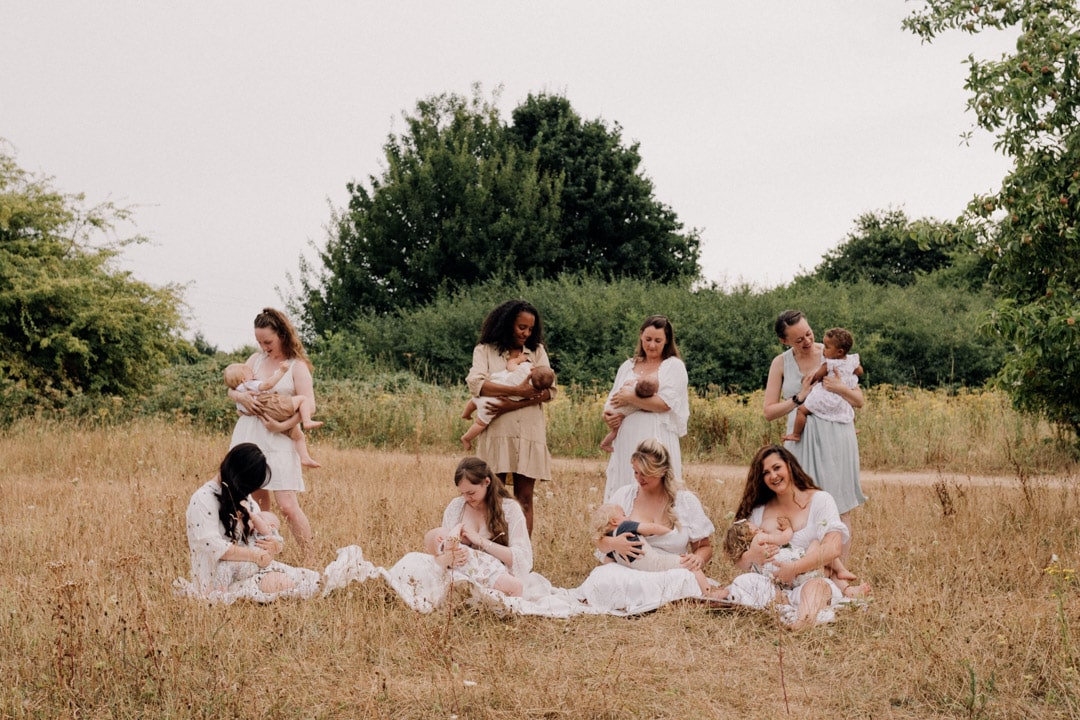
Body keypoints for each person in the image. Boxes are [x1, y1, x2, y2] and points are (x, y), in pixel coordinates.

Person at [764, 310, 865, 564]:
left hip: (836, 437)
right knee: (800, 504)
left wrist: (841, 388)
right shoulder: (780, 363)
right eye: (798, 340)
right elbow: (769, 412)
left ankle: (839, 574)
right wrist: (800, 397)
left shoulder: (833, 353)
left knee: (838, 505)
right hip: (800, 440)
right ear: (784, 341)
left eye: (808, 334)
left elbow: (859, 400)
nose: (807, 342)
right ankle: (805, 567)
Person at [726, 444, 865, 629]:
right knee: (743, 582)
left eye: (777, 468)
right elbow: (738, 557)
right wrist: (753, 555)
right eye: (766, 473)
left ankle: (803, 620)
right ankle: (784, 609)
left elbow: (833, 547)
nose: (773, 476)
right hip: (774, 586)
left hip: (807, 580)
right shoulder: (759, 511)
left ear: (790, 466)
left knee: (817, 587)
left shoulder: (820, 500)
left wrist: (793, 569)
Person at [579, 439, 721, 610]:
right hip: (630, 572)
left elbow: (705, 547)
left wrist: (697, 558)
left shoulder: (685, 501)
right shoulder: (624, 496)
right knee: (604, 575)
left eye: (645, 473)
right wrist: (614, 543)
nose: (639, 478)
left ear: (662, 471)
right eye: (636, 472)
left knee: (682, 577)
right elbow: (599, 538)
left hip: (669, 570)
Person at [228, 308, 318, 565]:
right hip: (249, 435)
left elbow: (308, 405)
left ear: (282, 335)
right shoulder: (254, 360)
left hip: (278, 437)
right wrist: (241, 396)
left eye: (268, 341)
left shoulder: (295, 366)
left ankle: (310, 559)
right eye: (259, 342)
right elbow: (234, 388)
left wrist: (282, 426)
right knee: (257, 504)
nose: (263, 346)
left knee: (287, 505)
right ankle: (264, 556)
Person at [181, 443, 320, 603]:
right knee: (283, 584)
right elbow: (213, 546)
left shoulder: (243, 497)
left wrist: (273, 545)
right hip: (219, 578)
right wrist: (255, 555)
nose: (249, 492)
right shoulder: (203, 499)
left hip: (251, 567)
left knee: (309, 580)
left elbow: (262, 530)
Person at [465, 300, 556, 535]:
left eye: (530, 329)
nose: (526, 333)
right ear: (506, 325)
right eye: (521, 327)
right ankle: (495, 553)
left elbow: (549, 391)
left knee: (524, 500)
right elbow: (477, 384)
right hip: (497, 433)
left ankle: (522, 556)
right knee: (494, 497)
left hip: (529, 433)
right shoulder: (485, 350)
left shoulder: (536, 352)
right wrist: (516, 391)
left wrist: (513, 404)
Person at [602, 316, 689, 501]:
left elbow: (665, 404)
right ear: (641, 336)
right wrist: (609, 417)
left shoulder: (673, 366)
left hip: (656, 436)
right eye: (648, 339)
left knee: (655, 483)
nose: (652, 345)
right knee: (627, 482)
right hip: (627, 436)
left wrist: (631, 398)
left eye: (658, 341)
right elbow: (613, 398)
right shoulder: (628, 366)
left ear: (666, 341)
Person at [592, 502, 728, 600]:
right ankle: (708, 593)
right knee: (690, 564)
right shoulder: (625, 526)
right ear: (615, 521)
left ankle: (706, 588)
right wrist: (667, 531)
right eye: (624, 514)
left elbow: (608, 565)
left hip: (639, 571)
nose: (627, 517)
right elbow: (649, 528)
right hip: (656, 563)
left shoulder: (612, 544)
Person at [723, 517, 867, 598]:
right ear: (748, 536)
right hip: (798, 569)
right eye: (756, 529)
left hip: (791, 583)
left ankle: (848, 590)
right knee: (817, 546)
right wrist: (788, 528)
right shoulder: (760, 539)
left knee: (826, 571)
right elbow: (784, 538)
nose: (761, 530)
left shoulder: (753, 565)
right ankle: (842, 572)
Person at [225, 361, 323, 468]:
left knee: (298, 436)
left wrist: (239, 397)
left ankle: (305, 458)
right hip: (274, 408)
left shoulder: (241, 396)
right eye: (250, 373)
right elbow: (268, 385)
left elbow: (240, 412)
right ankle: (307, 422)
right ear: (243, 379)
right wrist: (282, 371)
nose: (253, 374)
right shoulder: (250, 384)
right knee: (303, 400)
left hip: (264, 419)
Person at [782, 327, 863, 443]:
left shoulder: (828, 364)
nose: (823, 349)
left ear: (839, 352)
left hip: (826, 397)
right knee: (848, 408)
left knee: (802, 411)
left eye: (827, 347)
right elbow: (860, 371)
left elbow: (817, 377)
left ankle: (795, 434)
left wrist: (806, 379)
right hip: (842, 399)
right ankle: (852, 427)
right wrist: (850, 371)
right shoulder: (852, 360)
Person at [461, 365, 556, 452]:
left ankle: (466, 414)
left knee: (474, 401)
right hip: (494, 402)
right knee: (480, 424)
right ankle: (466, 438)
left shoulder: (525, 368)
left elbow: (510, 365)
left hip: (491, 390)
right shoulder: (534, 391)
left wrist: (519, 359)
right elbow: (538, 397)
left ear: (533, 369)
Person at [599, 376, 658, 453]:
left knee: (614, 431)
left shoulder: (630, 388)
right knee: (615, 432)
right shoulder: (638, 403)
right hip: (615, 412)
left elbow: (627, 383)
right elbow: (647, 409)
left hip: (611, 405)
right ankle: (604, 444)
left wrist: (635, 380)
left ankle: (604, 444)